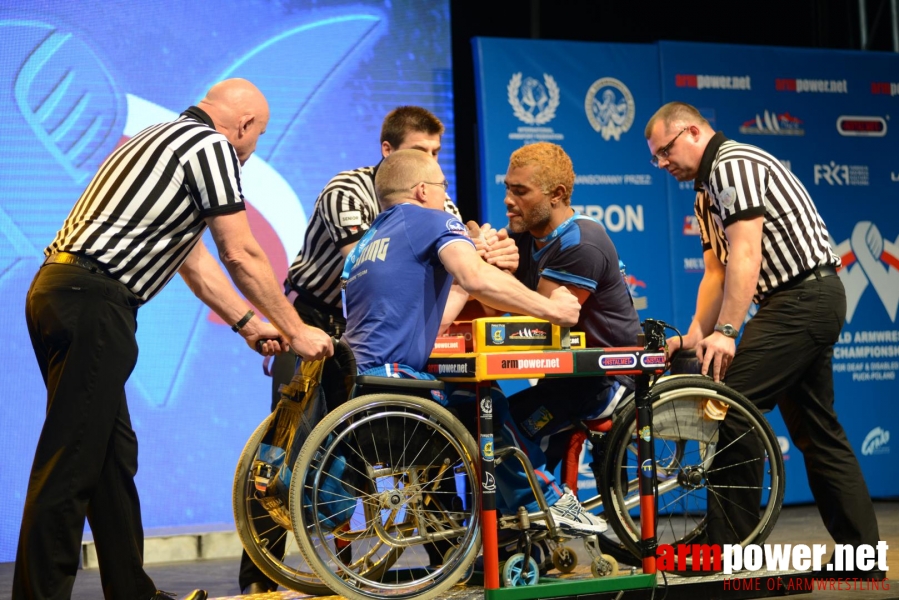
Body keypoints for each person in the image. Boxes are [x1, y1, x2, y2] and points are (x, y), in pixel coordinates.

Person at [15, 78, 332, 600]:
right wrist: (297, 329)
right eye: (257, 138)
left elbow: (190, 256)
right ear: (246, 124)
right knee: (70, 462)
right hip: (94, 301)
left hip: (60, 292)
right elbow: (240, 253)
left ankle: (132, 592)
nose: (252, 151)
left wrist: (248, 322)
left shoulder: (153, 138)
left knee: (111, 458)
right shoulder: (212, 147)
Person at [237, 106, 516, 595]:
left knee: (409, 434)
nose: (430, 166)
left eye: (434, 154)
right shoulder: (347, 190)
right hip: (315, 318)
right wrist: (468, 255)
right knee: (286, 444)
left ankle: (447, 563)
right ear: (388, 152)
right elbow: (369, 264)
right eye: (419, 153)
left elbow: (461, 254)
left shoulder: (433, 202)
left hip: (381, 330)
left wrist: (491, 253)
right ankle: (260, 583)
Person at [645, 102, 881, 563]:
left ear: (692, 131)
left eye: (665, 151)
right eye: (655, 158)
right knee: (817, 430)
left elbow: (747, 255)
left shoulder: (733, 165)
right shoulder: (705, 191)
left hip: (803, 298)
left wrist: (729, 330)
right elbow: (716, 272)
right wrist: (695, 335)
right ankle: (863, 552)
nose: (662, 163)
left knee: (732, 409)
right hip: (795, 302)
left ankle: (727, 547)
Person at [341, 148, 608, 536]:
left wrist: (470, 270)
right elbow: (478, 279)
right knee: (485, 404)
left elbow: (439, 313)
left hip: (364, 389)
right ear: (421, 191)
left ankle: (517, 518)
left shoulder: (370, 240)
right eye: (441, 186)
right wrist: (551, 309)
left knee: (469, 394)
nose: (444, 195)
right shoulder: (431, 220)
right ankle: (544, 502)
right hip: (397, 391)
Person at [495, 142, 641, 502]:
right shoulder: (525, 233)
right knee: (496, 423)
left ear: (557, 195)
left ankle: (548, 517)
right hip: (566, 378)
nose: (508, 200)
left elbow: (539, 325)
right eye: (507, 188)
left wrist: (494, 276)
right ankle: (530, 535)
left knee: (505, 434)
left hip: (605, 380)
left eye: (520, 191)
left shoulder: (581, 242)